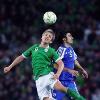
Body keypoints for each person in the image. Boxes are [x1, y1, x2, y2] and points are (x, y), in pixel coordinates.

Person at [4, 29, 85, 100]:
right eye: (46, 35)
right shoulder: (34, 48)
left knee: (63, 89)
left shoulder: (51, 51)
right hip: (38, 80)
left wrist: (57, 74)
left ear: (51, 41)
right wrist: (10, 66)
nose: (47, 36)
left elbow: (61, 63)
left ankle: (80, 98)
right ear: (41, 37)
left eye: (49, 36)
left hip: (48, 75)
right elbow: (21, 57)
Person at [53, 32, 88, 100]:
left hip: (70, 82)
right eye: (69, 36)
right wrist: (69, 70)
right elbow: (54, 65)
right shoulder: (61, 49)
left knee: (78, 98)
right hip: (60, 82)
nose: (72, 37)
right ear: (64, 39)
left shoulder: (71, 49)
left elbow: (74, 60)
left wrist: (82, 69)